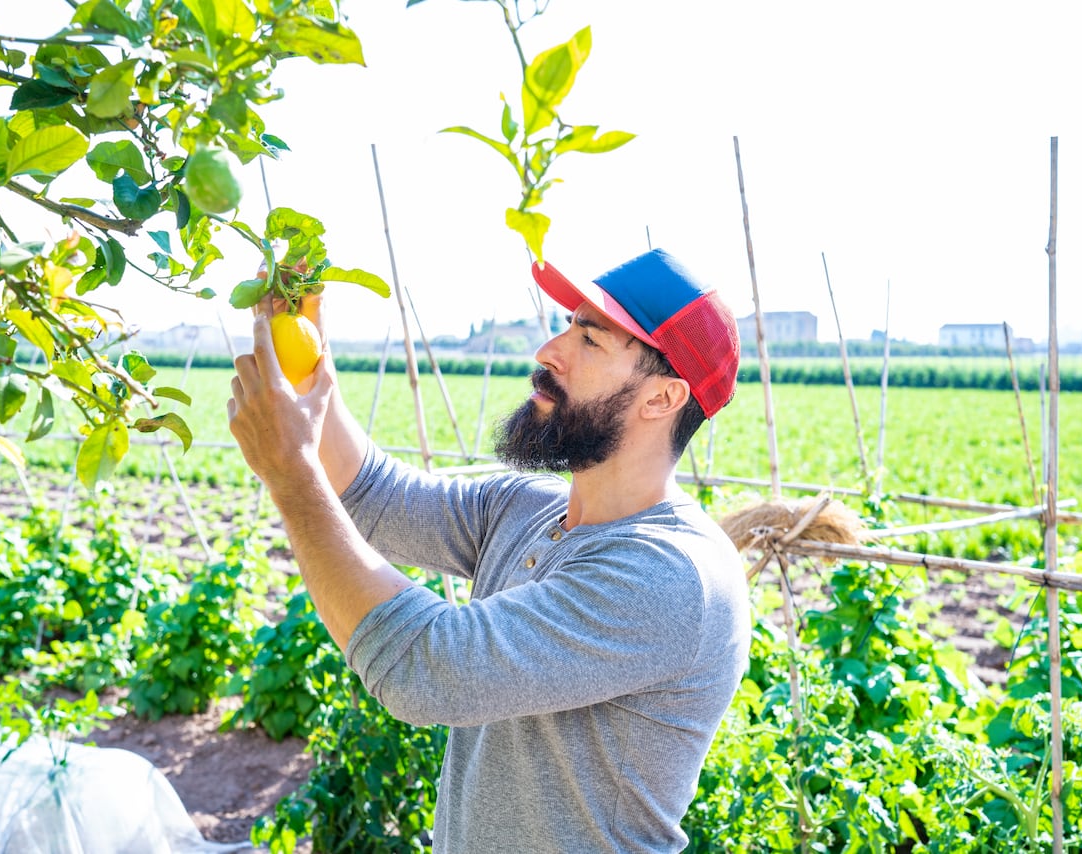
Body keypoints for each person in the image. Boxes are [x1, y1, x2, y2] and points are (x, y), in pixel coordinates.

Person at [228, 248, 751, 852]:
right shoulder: (526, 508)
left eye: (590, 339)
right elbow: (369, 493)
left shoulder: (672, 575)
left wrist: (291, 474)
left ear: (661, 399)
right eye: (567, 326)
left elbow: (425, 669)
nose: (549, 352)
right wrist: (301, 346)